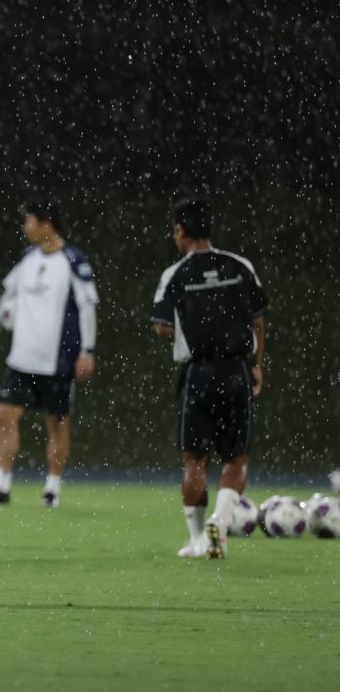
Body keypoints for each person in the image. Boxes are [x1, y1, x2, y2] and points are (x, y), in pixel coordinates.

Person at [151, 196, 267, 560]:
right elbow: (259, 322)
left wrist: (194, 323)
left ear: (180, 230)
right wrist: (256, 364)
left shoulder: (176, 274)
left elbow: (161, 326)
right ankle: (221, 518)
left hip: (197, 372)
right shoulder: (239, 265)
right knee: (236, 458)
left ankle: (199, 537)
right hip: (236, 370)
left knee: (194, 460)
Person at [0, 201, 98, 507]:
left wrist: (87, 351)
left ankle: (52, 489)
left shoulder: (73, 261)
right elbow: (8, 297)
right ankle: (1, 485)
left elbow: (87, 308)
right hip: (22, 358)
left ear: (47, 224)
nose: (25, 227)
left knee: (57, 423)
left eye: (29, 221)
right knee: (4, 414)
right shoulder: (27, 259)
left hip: (58, 360)